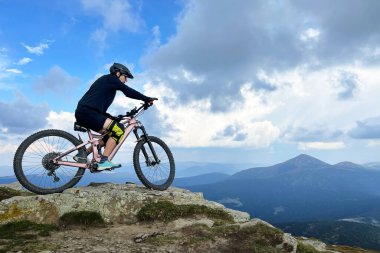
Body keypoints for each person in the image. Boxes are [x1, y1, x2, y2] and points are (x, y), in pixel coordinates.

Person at [74, 63, 155, 170]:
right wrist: (146, 98)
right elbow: (128, 91)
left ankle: (83, 154)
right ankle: (104, 161)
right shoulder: (111, 79)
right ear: (117, 73)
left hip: (87, 112)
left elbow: (98, 109)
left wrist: (114, 118)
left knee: (109, 135)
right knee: (119, 129)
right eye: (125, 77)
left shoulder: (108, 84)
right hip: (88, 112)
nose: (126, 80)